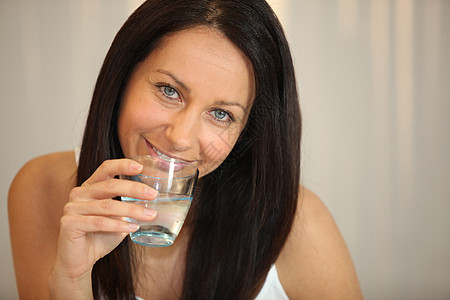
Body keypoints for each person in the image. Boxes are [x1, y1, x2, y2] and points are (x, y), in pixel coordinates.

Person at [8, 0, 363, 299]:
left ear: (248, 129)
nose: (180, 138)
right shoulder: (41, 189)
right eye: (169, 90)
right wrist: (70, 284)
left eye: (221, 114)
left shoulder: (299, 225)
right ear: (123, 77)